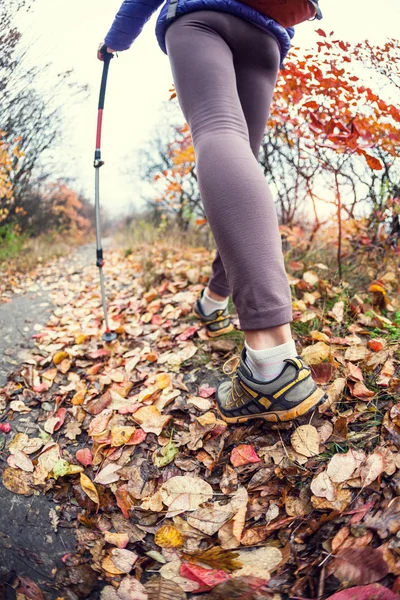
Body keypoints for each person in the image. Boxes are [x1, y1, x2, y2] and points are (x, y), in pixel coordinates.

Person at [98, 0, 326, 424]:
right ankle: (213, 301)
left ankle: (270, 364)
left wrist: (115, 42)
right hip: (265, 36)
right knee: (241, 161)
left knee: (219, 133)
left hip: (203, 19)